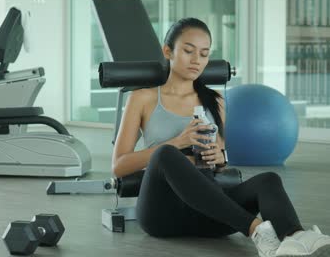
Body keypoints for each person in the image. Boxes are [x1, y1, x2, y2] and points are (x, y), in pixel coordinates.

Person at [111, 17, 330, 257]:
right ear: (168, 51)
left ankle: (295, 238)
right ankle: (256, 230)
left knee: (268, 179)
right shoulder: (142, 98)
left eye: (204, 54)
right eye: (188, 51)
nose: (197, 60)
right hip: (161, 214)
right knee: (166, 154)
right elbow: (119, 166)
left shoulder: (214, 100)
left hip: (211, 212)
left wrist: (219, 157)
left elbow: (220, 161)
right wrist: (176, 143)